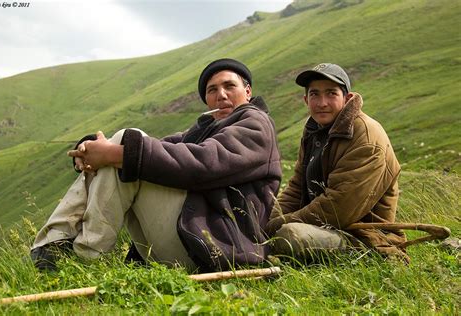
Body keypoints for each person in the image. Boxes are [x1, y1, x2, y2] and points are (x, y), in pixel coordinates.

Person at [31, 58, 282, 272]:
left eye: (230, 86)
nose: (221, 95)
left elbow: (202, 163)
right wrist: (90, 151)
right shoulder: (205, 128)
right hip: (192, 240)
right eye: (212, 90)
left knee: (126, 147)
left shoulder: (255, 122)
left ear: (247, 91)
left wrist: (113, 151)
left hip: (219, 250)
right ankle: (56, 249)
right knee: (126, 148)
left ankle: (82, 257)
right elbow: (158, 147)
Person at [265, 63, 408, 261]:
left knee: (290, 236)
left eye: (331, 93)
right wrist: (267, 221)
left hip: (365, 238)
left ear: (347, 98)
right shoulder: (314, 130)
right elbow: (297, 187)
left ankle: (380, 259)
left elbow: (338, 208)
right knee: (265, 225)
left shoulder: (366, 137)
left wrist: (275, 226)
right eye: (315, 94)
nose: (322, 102)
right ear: (306, 100)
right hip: (326, 229)